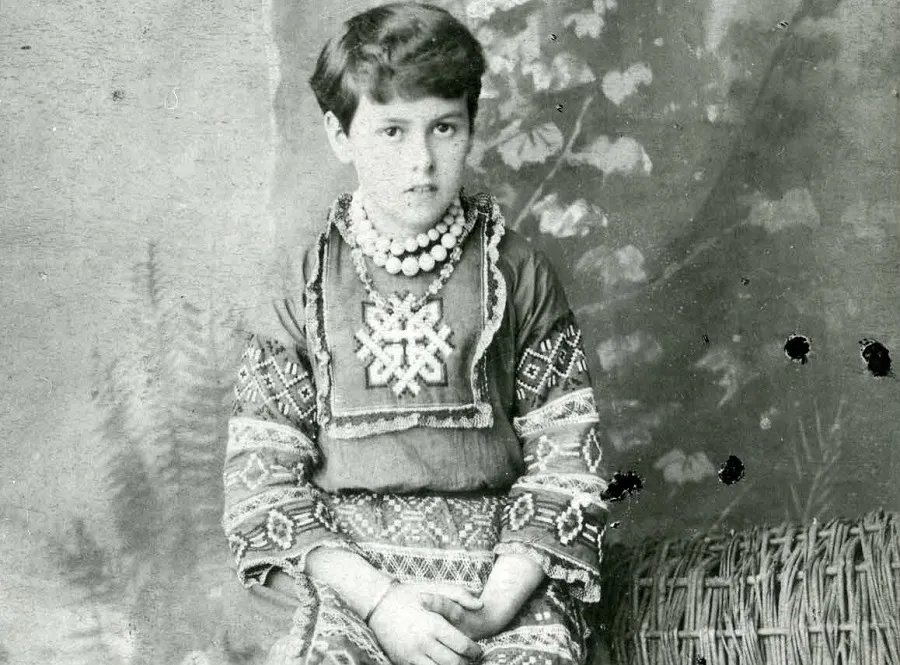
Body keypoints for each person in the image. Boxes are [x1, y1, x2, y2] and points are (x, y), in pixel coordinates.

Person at [222, 3, 611, 664]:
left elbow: (567, 461)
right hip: (351, 591)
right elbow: (262, 484)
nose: (422, 161)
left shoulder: (518, 273)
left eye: (444, 128)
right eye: (392, 131)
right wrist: (383, 605)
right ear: (340, 134)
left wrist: (492, 608)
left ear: (471, 127)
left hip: (499, 585)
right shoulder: (302, 284)